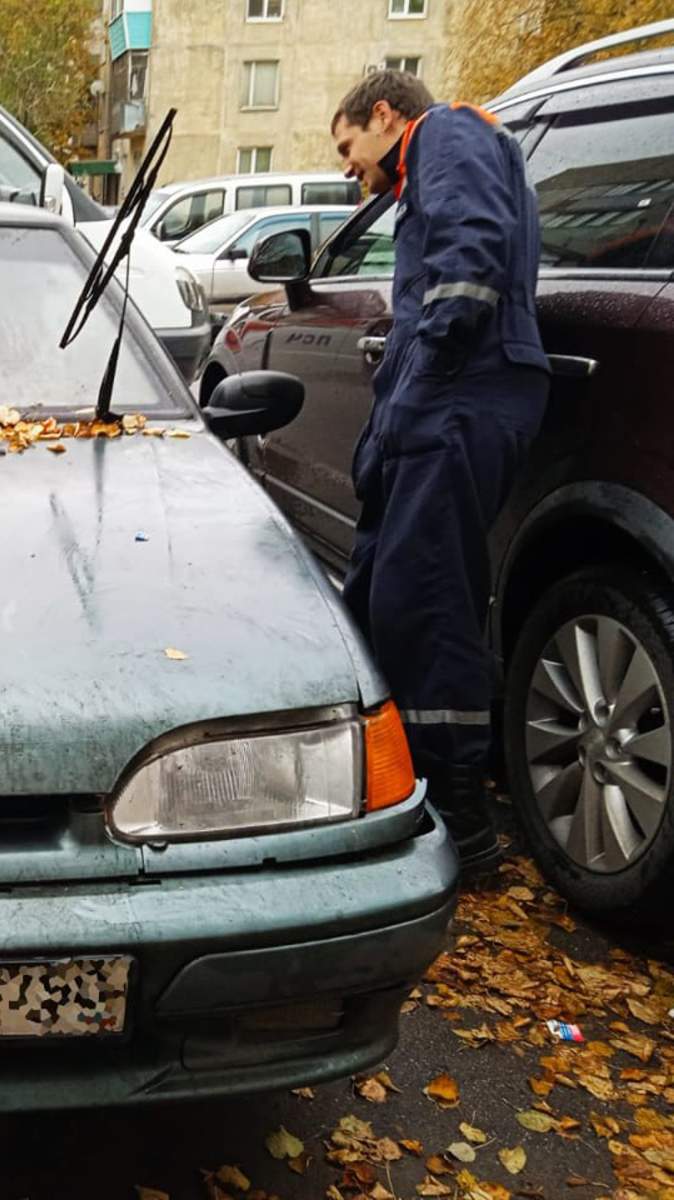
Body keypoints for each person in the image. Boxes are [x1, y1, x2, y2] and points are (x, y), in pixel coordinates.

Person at [329, 70, 550, 872]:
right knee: (388, 590)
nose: (352, 169)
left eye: (351, 147)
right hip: (446, 403)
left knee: (426, 601)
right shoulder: (440, 151)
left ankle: (459, 821)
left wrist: (423, 376)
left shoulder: (446, 133)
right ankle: (400, 779)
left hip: (462, 396)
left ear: (386, 116)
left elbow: (468, 267)